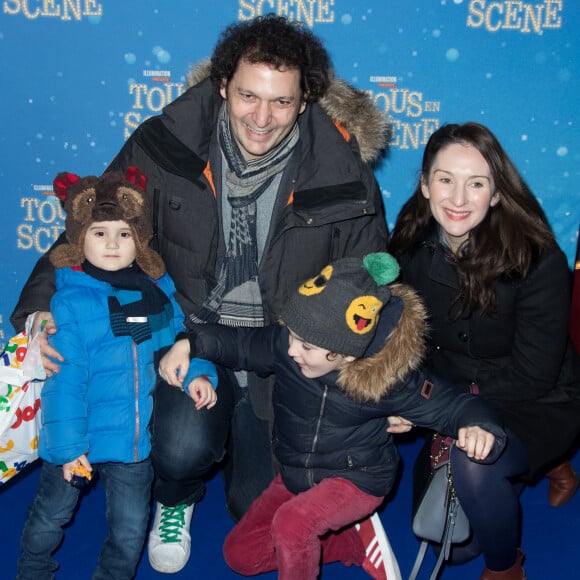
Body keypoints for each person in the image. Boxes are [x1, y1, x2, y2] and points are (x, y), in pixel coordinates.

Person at [10, 14, 390, 574]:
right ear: (221, 85)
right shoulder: (166, 144)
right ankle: (176, 499)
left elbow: (371, 284)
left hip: (277, 350)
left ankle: (331, 499)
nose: (261, 118)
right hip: (184, 338)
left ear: (306, 99)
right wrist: (39, 308)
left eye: (281, 102)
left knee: (250, 507)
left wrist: (384, 378)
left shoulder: (342, 173)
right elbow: (95, 226)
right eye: (247, 96)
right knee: (181, 450)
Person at [159, 252, 507, 580]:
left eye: (306, 347)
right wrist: (192, 344)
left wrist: (480, 426)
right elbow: (242, 344)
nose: (291, 349)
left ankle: (336, 527)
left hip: (357, 478)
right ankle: (352, 542)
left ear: (347, 355)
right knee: (241, 555)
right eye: (291, 336)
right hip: (297, 472)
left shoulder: (390, 382)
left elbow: (456, 405)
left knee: (292, 526)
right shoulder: (290, 345)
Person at [388, 122, 580, 580]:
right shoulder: (408, 246)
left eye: (476, 183)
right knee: (451, 548)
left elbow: (534, 375)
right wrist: (399, 398)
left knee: (474, 469)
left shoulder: (538, 259)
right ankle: (546, 467)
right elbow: (398, 336)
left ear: (496, 193)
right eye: (445, 179)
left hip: (537, 399)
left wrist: (434, 408)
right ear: (424, 184)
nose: (457, 198)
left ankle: (506, 566)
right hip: (450, 393)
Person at [16, 169, 218, 580]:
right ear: (79, 239)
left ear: (139, 241)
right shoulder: (69, 303)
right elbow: (64, 385)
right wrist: (69, 448)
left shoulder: (151, 293)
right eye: (99, 233)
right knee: (49, 518)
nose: (112, 243)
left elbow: (172, 342)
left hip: (131, 443)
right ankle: (32, 572)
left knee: (129, 533)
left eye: (124, 234)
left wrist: (198, 372)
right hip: (77, 442)